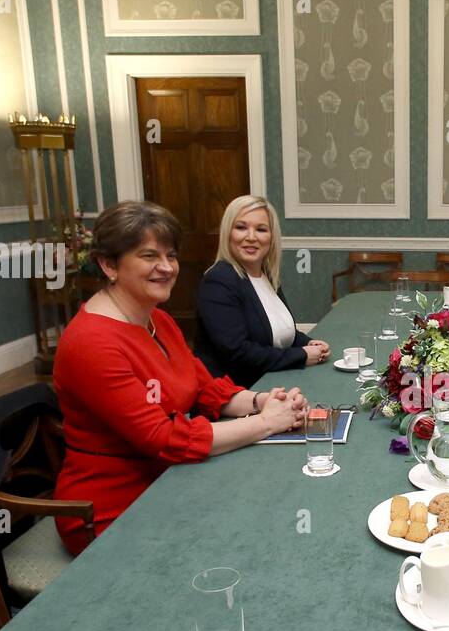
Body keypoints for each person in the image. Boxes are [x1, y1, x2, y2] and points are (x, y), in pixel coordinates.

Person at [53, 201, 308, 555]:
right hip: (113, 511)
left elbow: (205, 388)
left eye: (171, 256)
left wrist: (259, 401)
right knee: (250, 537)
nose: (166, 267)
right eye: (149, 256)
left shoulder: (159, 319)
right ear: (108, 265)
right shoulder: (90, 343)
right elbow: (164, 439)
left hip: (169, 480)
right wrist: (265, 424)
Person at [194, 195, 330, 387]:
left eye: (261, 229)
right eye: (241, 227)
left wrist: (309, 343)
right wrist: (301, 356)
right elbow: (238, 353)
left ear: (272, 236)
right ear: (227, 233)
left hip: (272, 383)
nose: (251, 237)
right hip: (236, 396)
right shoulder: (218, 280)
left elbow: (278, 331)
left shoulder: (267, 276)